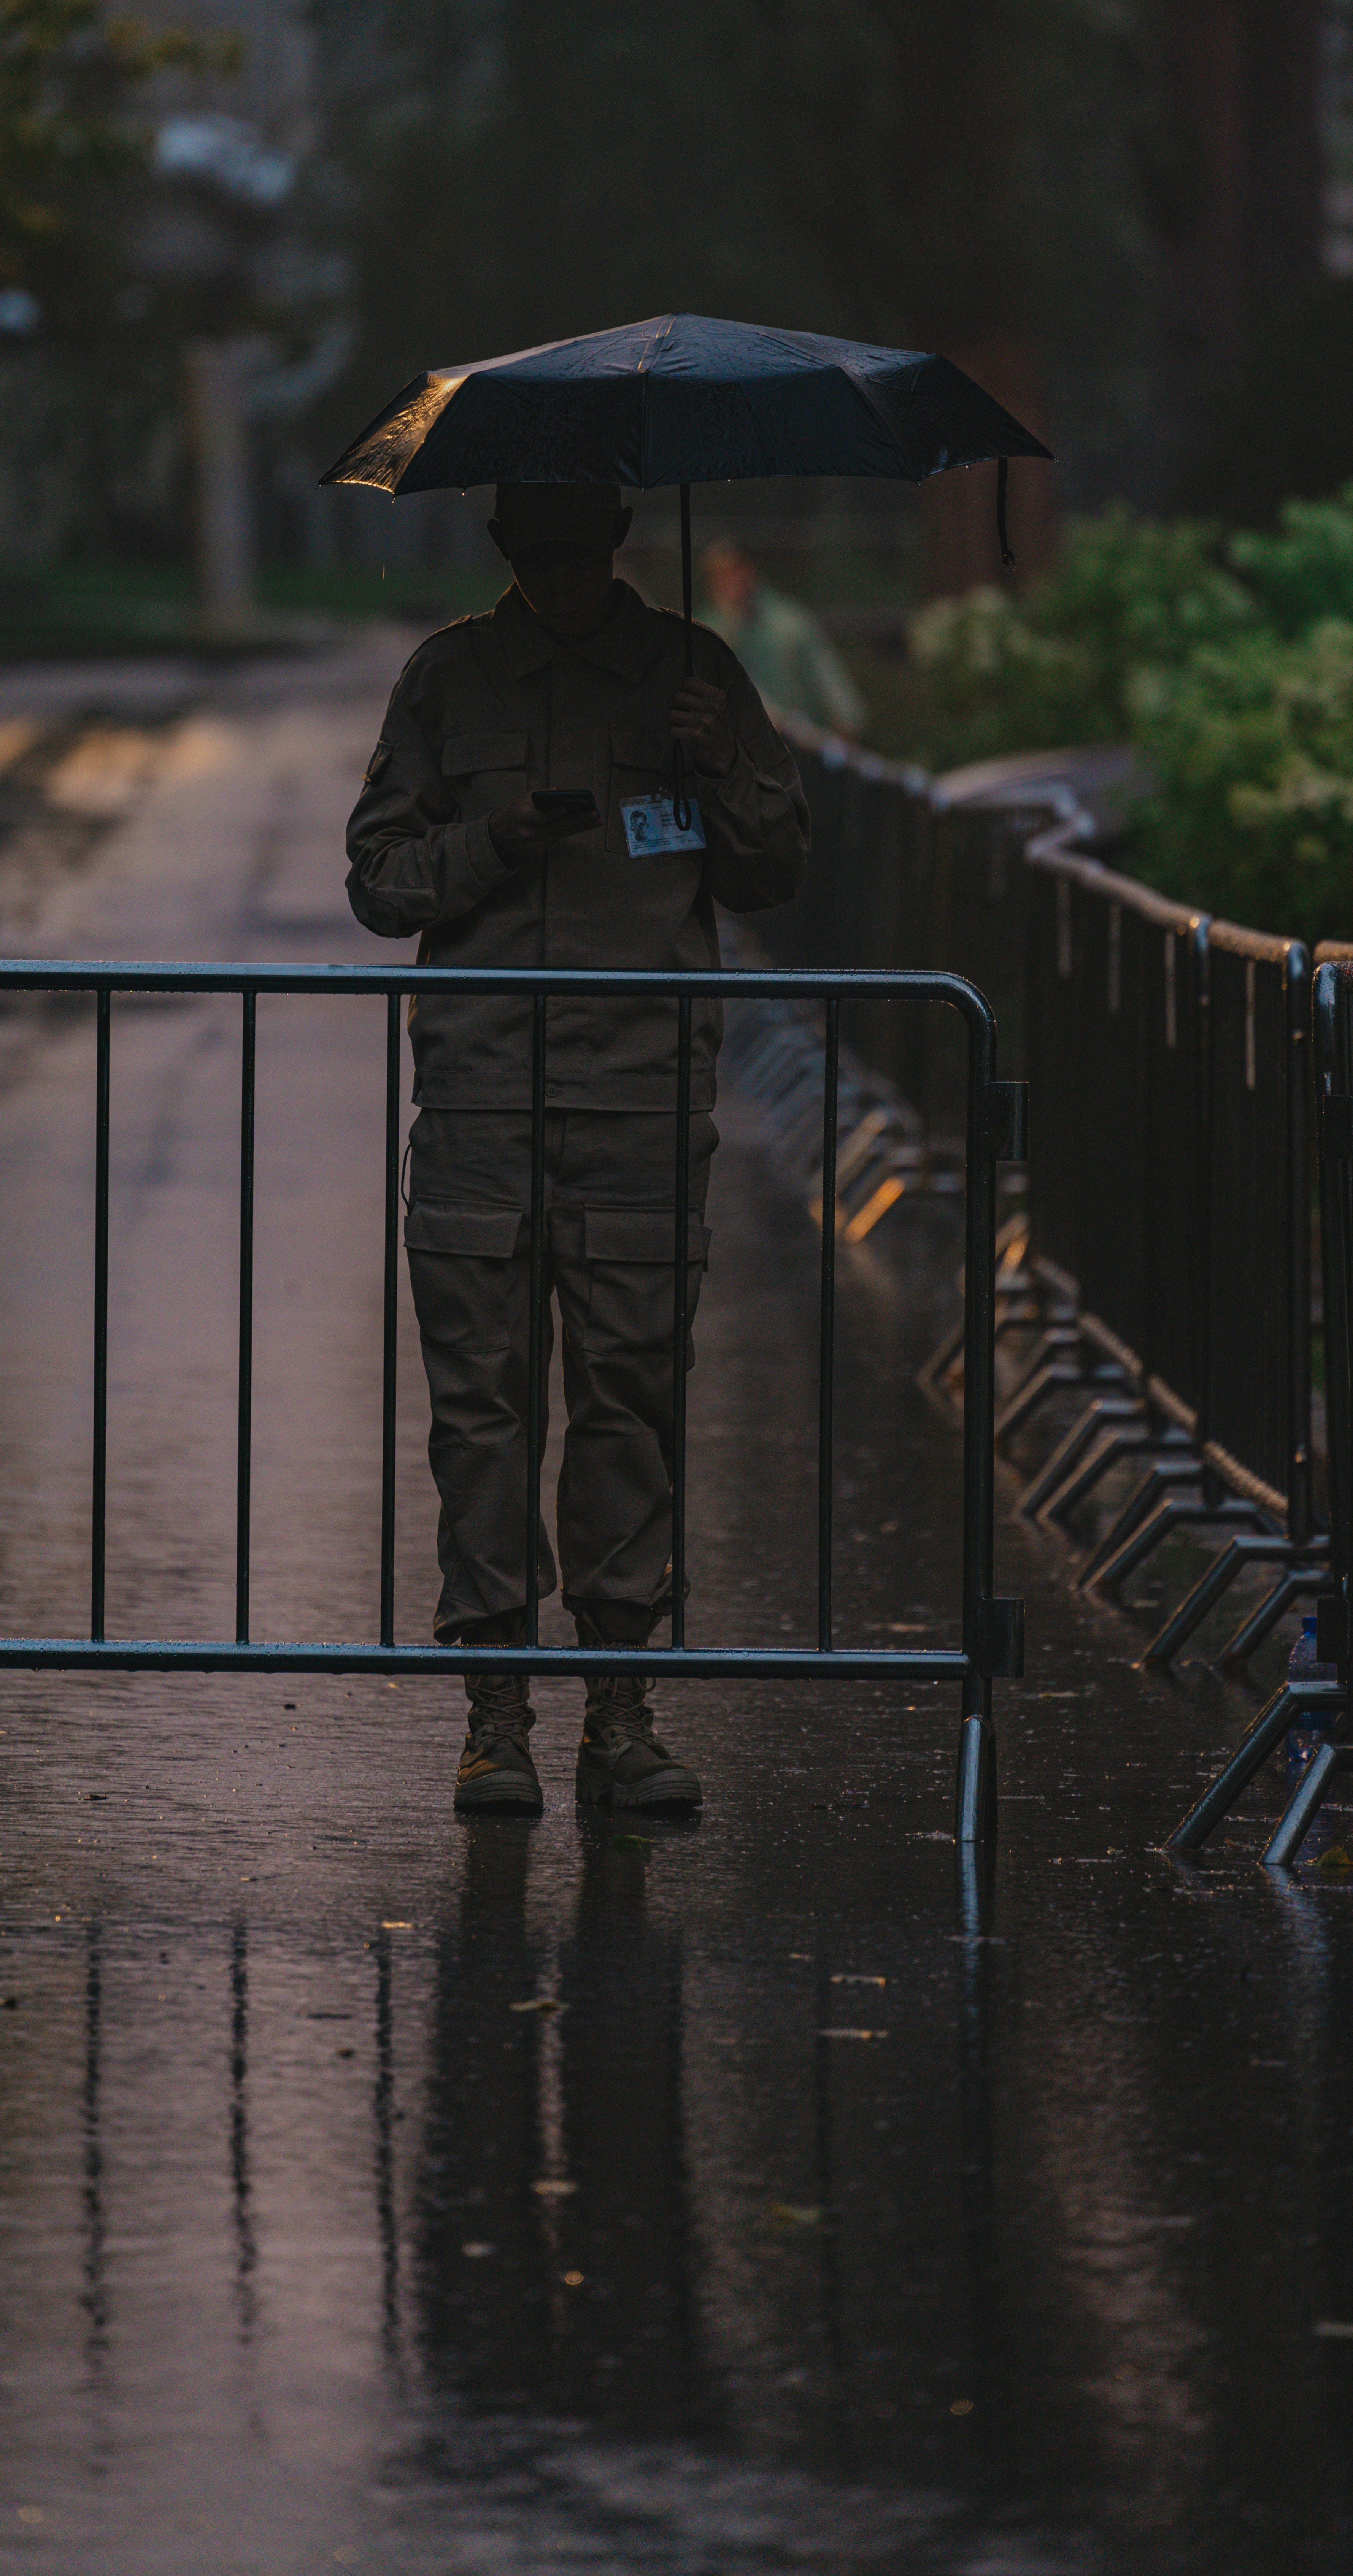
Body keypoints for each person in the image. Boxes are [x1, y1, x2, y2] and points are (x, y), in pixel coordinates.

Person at [346, 480, 810, 1816]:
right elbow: (377, 880)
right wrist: (493, 838)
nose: (558, 573)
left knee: (628, 1405)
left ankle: (619, 1711)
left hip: (638, 1104)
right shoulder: (447, 681)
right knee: (481, 1412)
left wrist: (718, 755)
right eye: (535, 551)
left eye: (580, 548)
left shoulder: (691, 673)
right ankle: (496, 1718)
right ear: (504, 546)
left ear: (614, 538)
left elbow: (779, 864)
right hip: (485, 1099)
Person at [700, 538, 867, 738]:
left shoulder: (789, 622)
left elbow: (831, 683)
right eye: (718, 576)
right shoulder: (704, 629)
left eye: (734, 571)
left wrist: (848, 723)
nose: (729, 582)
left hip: (794, 743)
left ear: (748, 571)